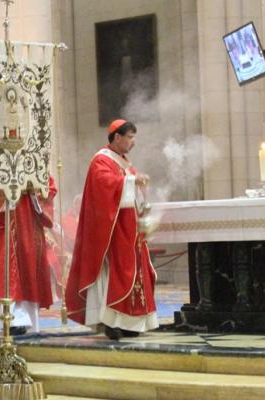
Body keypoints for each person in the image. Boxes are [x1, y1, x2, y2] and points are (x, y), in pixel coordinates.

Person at [65, 119, 158, 340]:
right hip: (110, 232)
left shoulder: (124, 162)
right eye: (130, 137)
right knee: (113, 275)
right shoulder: (101, 161)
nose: (133, 143)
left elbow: (130, 189)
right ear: (117, 137)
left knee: (135, 274)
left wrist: (140, 192)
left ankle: (130, 323)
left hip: (129, 230)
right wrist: (131, 181)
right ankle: (110, 321)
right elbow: (104, 185)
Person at [0, 177, 57, 335]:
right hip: (7, 220)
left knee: (29, 265)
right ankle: (14, 319)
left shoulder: (31, 156)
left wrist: (33, 188)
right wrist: (8, 189)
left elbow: (48, 184)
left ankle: (30, 318)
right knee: (9, 268)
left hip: (29, 219)